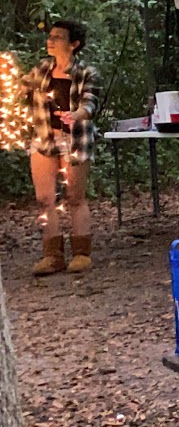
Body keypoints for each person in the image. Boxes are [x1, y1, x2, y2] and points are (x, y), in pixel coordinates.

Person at [22, 20, 100, 276]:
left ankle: (81, 253)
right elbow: (23, 89)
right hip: (44, 139)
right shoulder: (42, 69)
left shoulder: (86, 72)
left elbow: (90, 103)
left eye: (58, 37)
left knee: (74, 197)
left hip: (75, 140)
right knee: (45, 199)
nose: (51, 40)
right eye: (51, 36)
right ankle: (52, 255)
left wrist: (77, 114)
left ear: (73, 44)